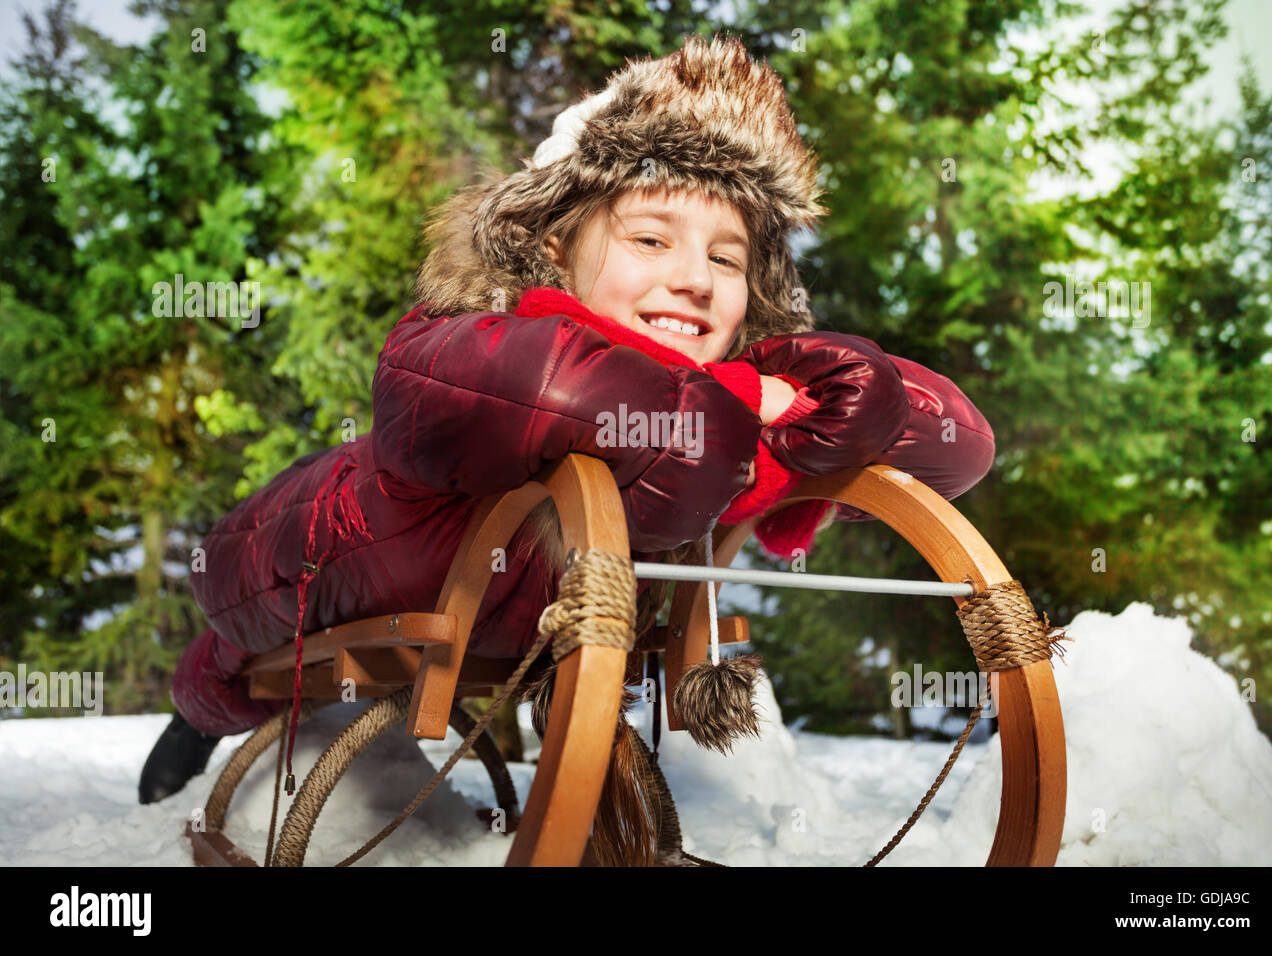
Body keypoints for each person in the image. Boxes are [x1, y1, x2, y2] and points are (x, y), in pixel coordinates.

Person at [140, 35, 995, 862]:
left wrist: (850, 386)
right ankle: (194, 717)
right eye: (650, 240)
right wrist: (746, 400)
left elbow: (959, 446)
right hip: (294, 559)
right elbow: (586, 398)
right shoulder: (470, 343)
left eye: (727, 259)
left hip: (533, 617)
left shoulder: (727, 394)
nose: (695, 278)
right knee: (228, 661)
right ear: (556, 249)